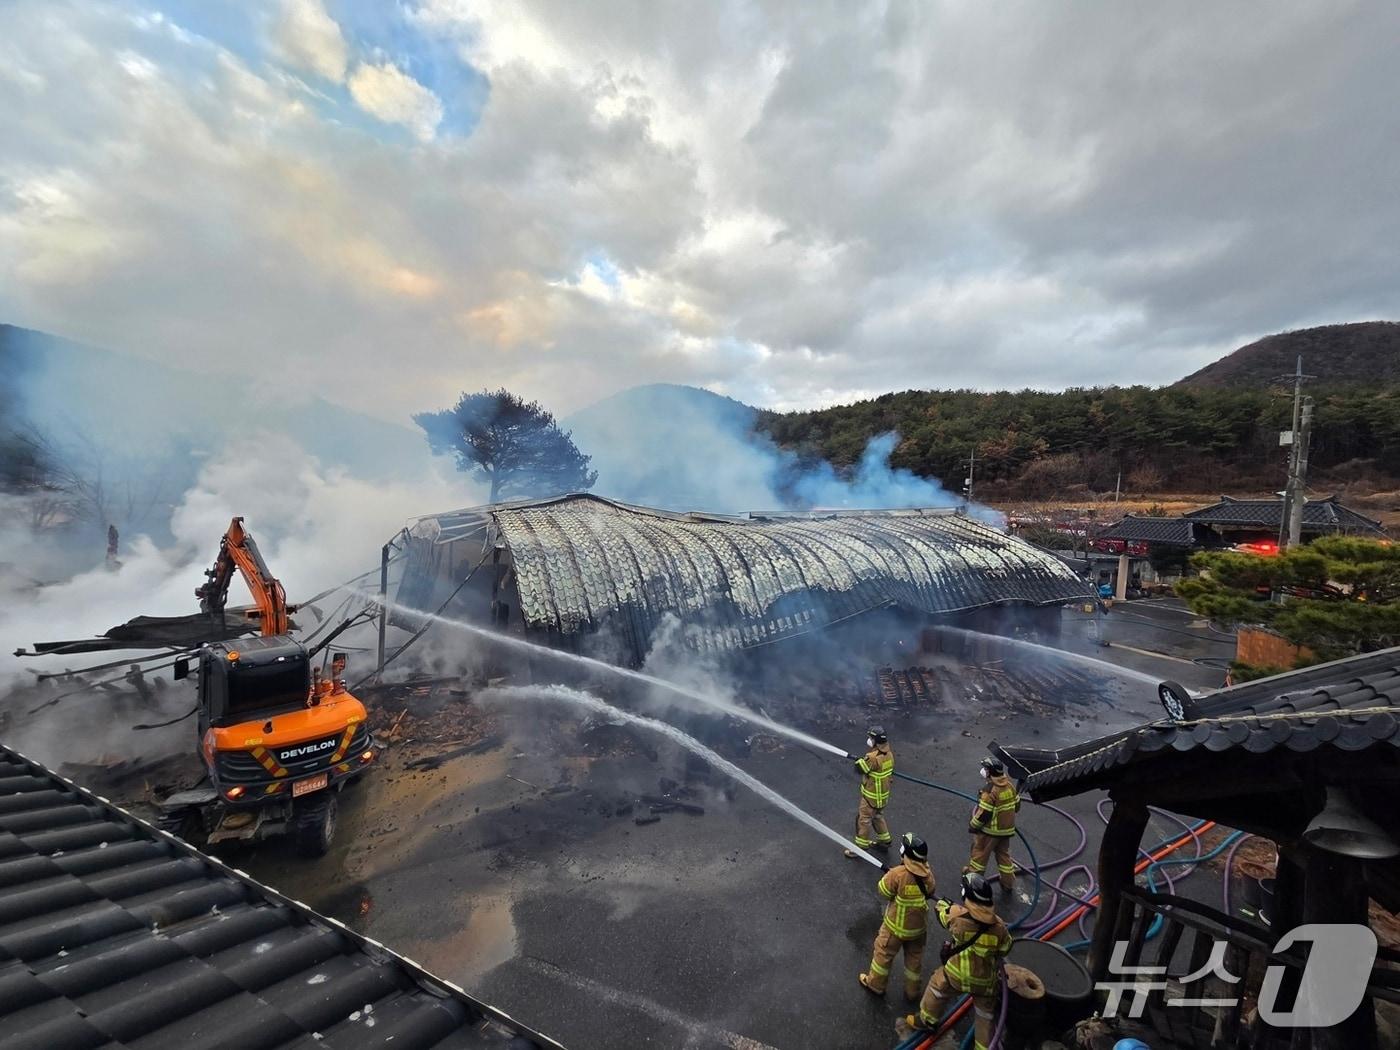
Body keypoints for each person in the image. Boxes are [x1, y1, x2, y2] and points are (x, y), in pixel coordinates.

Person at [906, 873, 1012, 1050]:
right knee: (984, 1014)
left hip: (956, 974)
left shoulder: (959, 917)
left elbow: (942, 914)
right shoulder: (999, 927)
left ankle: (927, 1021)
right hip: (986, 981)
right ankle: (984, 1046)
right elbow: (1005, 948)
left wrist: (943, 905)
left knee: (937, 988)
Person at [858, 833, 933, 1001]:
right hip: (918, 930)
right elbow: (931, 891)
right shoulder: (927, 873)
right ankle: (912, 992)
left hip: (894, 928)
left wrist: (890, 876)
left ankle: (875, 985)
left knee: (883, 955)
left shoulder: (898, 874)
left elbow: (883, 890)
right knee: (914, 960)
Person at [965, 756, 1019, 892]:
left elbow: (984, 814)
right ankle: (1008, 883)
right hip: (1006, 831)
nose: (983, 771)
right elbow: (1017, 806)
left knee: (979, 856)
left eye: (985, 769)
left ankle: (973, 883)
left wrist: (973, 825)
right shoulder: (1010, 786)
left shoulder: (989, 791)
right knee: (1003, 856)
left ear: (990, 772)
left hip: (990, 832)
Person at [844, 725, 893, 858]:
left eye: (870, 737)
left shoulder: (872, 757)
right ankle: (885, 841)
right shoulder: (889, 754)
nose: (869, 740)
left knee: (863, 819)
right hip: (882, 797)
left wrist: (859, 761)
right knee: (878, 817)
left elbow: (859, 769)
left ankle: (860, 848)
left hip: (871, 797)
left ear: (876, 740)